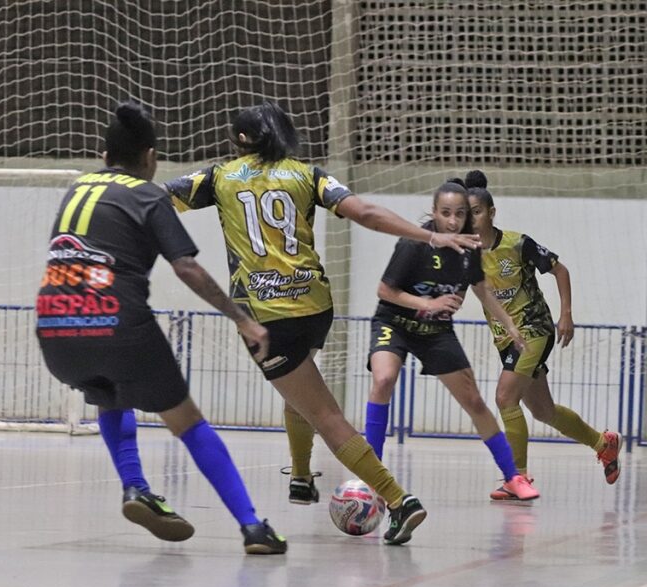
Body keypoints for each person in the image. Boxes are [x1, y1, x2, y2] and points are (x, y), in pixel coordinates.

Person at [164, 101, 479, 545]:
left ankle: (398, 499)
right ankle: (298, 476)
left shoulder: (219, 176)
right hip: (315, 308)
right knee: (303, 388)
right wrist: (431, 235)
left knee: (326, 415)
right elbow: (365, 213)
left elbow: (158, 199)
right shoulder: (309, 174)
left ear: (239, 140)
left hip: (265, 318)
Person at [36, 101, 286, 555]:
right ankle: (253, 526)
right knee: (187, 422)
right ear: (150, 157)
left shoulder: (76, 189)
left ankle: (136, 488)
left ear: (104, 152)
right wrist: (243, 319)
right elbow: (186, 268)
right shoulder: (147, 194)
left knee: (109, 395)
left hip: (54, 328)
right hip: (117, 325)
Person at [362, 178, 540, 501]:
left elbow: (481, 288)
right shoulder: (412, 245)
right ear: (435, 213)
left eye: (460, 214)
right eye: (446, 213)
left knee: (473, 401)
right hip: (396, 322)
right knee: (384, 378)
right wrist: (428, 304)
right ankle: (372, 477)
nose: (453, 220)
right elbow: (385, 291)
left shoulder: (470, 249)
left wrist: (510, 324)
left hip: (435, 331)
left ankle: (513, 476)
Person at [465, 170, 622, 499]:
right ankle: (602, 443)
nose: (471, 219)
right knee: (543, 410)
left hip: (535, 328)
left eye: (476, 212)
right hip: (506, 338)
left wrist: (566, 313)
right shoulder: (466, 254)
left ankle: (516, 477)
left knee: (505, 397)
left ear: (491, 213)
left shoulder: (518, 243)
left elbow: (559, 269)